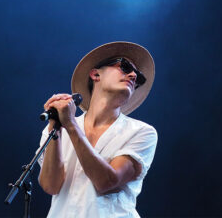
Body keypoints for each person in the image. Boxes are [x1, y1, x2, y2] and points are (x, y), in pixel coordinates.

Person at [37, 41, 158, 218]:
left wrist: (70, 125)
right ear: (95, 74)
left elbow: (107, 181)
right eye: (125, 67)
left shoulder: (142, 132)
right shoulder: (60, 129)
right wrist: (55, 128)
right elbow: (50, 186)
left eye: (138, 77)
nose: (133, 75)